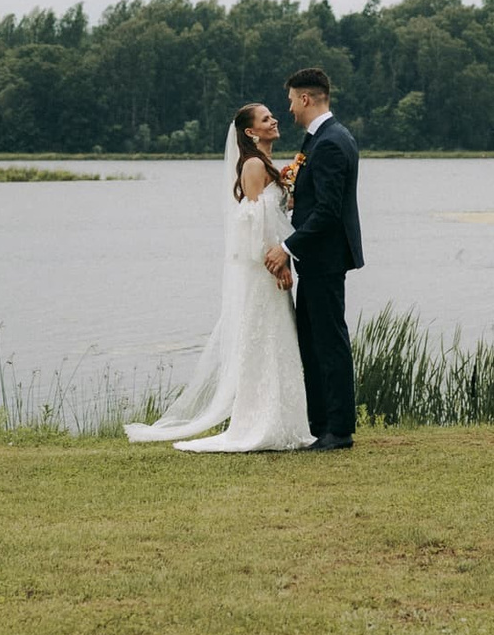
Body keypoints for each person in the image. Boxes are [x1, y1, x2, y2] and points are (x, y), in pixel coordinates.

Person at [124, 101, 314, 452]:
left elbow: (272, 215)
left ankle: (284, 422)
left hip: (270, 269)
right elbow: (255, 225)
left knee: (278, 342)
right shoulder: (255, 165)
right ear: (250, 132)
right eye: (266, 118)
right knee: (266, 342)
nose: (274, 120)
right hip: (265, 272)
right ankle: (262, 423)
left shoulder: (267, 165)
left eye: (272, 115)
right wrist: (279, 265)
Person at [263, 66, 363, 450]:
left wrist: (287, 248)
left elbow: (328, 211)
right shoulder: (320, 139)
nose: (288, 109)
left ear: (306, 98)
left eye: (291, 100)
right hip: (316, 259)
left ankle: (338, 430)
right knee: (312, 340)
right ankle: (320, 425)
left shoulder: (332, 142)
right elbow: (313, 201)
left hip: (325, 258)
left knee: (329, 342)